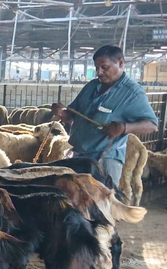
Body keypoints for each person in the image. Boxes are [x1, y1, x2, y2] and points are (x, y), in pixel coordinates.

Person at [51, 45, 158, 185]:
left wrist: (123, 128)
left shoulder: (132, 93)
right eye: (97, 68)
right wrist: (61, 113)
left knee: (101, 203)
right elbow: (71, 117)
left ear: (120, 63)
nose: (99, 72)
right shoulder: (91, 86)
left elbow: (152, 125)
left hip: (105, 160)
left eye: (104, 67)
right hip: (78, 157)